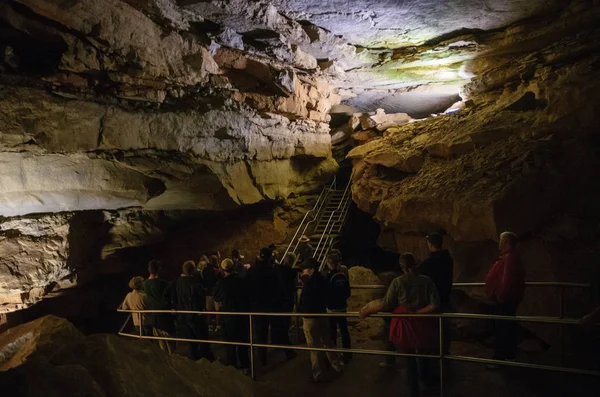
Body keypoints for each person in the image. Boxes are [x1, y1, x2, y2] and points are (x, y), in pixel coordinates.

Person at [360, 253, 440, 397]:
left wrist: (367, 310)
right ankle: (426, 382)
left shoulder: (398, 282)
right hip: (423, 322)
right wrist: (419, 313)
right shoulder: (427, 281)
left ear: (402, 266)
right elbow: (434, 304)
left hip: (406, 322)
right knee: (423, 353)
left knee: (409, 357)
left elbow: (387, 303)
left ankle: (413, 390)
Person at [298, 257, 344, 382]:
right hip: (322, 315)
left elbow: (306, 301)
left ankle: (319, 374)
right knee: (328, 341)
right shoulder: (323, 279)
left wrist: (300, 310)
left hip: (310, 318)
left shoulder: (309, 284)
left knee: (314, 346)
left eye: (305, 269)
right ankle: (337, 365)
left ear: (311, 270)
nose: (303, 271)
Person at [485, 231, 525, 368]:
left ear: (506, 243)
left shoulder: (509, 258)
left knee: (502, 328)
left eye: (501, 241)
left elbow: (506, 279)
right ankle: (509, 356)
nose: (499, 244)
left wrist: (500, 296)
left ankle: (500, 358)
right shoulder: (511, 257)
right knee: (507, 326)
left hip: (505, 299)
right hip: (509, 298)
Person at [169, 260, 215, 361]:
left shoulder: (178, 282)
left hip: (184, 315)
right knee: (202, 337)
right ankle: (208, 359)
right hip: (195, 314)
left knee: (191, 340)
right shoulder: (194, 282)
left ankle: (194, 358)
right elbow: (200, 296)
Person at [213, 258, 251, 374]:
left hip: (228, 315)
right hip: (241, 314)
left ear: (223, 270)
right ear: (233, 267)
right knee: (242, 341)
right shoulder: (241, 280)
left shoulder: (222, 283)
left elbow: (216, 296)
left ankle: (232, 365)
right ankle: (245, 365)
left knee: (230, 342)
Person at [419, 232, 454, 355]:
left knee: (432, 328)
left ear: (430, 244)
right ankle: (444, 353)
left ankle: (435, 354)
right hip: (446, 296)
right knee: (444, 326)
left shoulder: (429, 263)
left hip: (432, 299)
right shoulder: (448, 259)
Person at [246, 246, 280, 366]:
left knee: (260, 332)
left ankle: (262, 357)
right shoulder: (272, 270)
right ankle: (281, 348)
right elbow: (277, 288)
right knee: (276, 328)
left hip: (256, 306)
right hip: (270, 305)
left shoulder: (251, 271)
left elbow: (247, 288)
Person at [324, 251, 352, 362]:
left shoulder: (327, 276)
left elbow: (326, 293)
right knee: (344, 329)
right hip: (342, 306)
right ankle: (347, 353)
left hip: (332, 309)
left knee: (332, 331)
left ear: (329, 263)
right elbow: (347, 291)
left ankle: (333, 354)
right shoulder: (343, 275)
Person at [143, 259, 175, 354]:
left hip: (155, 316)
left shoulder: (145, 284)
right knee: (170, 343)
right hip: (166, 316)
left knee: (161, 343)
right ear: (159, 270)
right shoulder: (164, 284)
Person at [272, 252, 299, 360]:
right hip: (287, 301)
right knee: (284, 325)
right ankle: (288, 350)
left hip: (277, 300)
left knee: (277, 324)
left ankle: (276, 343)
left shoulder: (277, 269)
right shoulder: (292, 272)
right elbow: (295, 284)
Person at [203, 255, 222, 332]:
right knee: (218, 311)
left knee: (209, 311)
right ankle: (218, 325)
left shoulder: (205, 270)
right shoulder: (216, 270)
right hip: (216, 293)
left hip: (208, 293)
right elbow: (220, 280)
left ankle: (210, 325)